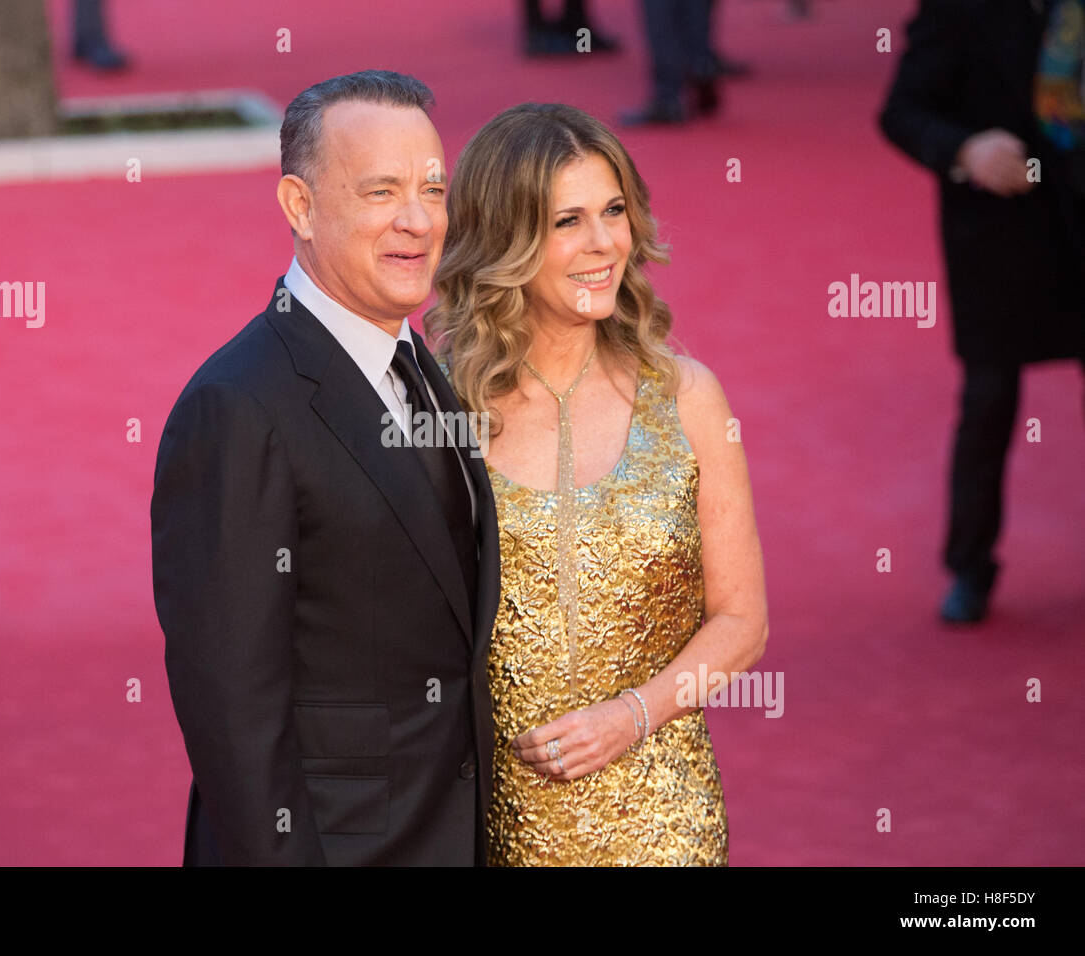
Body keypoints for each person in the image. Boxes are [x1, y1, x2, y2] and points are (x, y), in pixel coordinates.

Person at [150, 71, 501, 866]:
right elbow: (233, 708)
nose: (418, 221)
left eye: (433, 189)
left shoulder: (421, 366)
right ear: (299, 207)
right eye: (380, 192)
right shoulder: (237, 407)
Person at [425, 103, 768, 865]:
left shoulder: (688, 397)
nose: (605, 242)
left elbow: (743, 621)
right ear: (505, 239)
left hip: (663, 819)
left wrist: (632, 716)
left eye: (614, 211)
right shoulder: (441, 411)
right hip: (493, 822)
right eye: (567, 221)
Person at [878, 0, 1085, 623]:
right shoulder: (961, 7)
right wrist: (966, 150)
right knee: (989, 401)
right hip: (1001, 237)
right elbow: (901, 111)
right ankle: (971, 567)